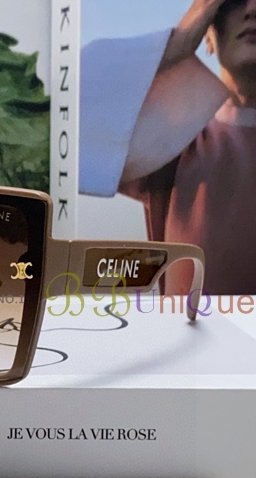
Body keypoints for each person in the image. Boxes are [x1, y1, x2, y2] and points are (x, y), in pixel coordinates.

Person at [80, 0, 256, 295]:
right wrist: (177, 42)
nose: (252, 8)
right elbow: (60, 118)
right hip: (195, 326)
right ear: (208, 34)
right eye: (232, 1)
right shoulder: (176, 140)